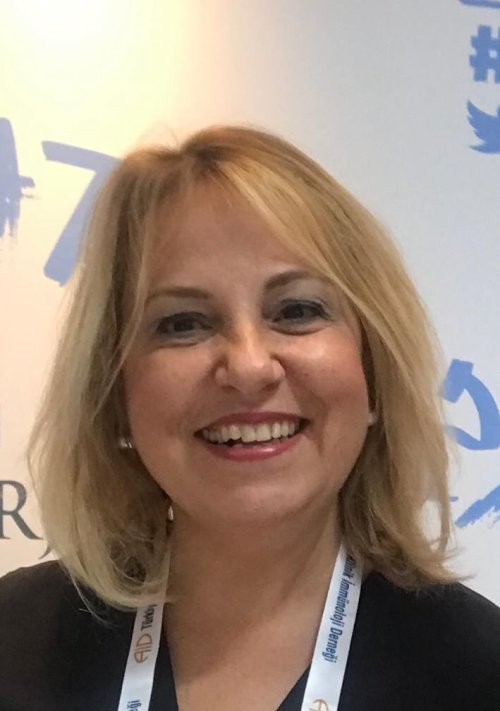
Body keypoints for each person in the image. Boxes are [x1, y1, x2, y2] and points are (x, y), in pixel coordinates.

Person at [0, 125, 499, 711]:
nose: (248, 366)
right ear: (113, 393)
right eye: (183, 323)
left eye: (297, 310)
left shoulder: (479, 670)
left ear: (373, 374)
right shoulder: (18, 639)